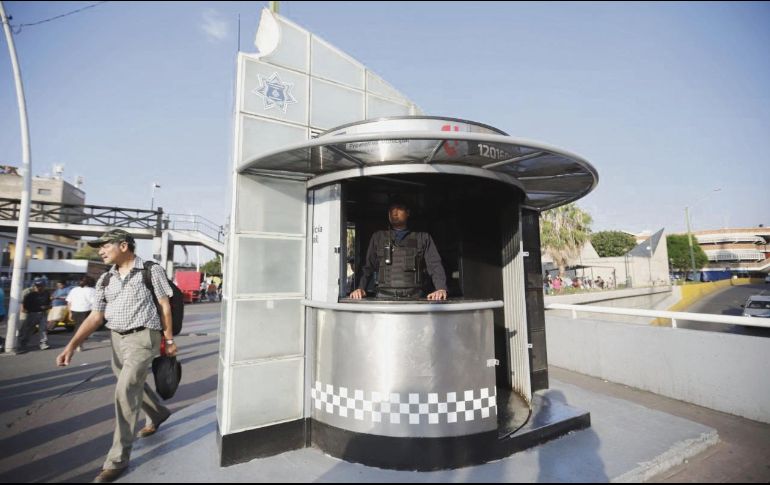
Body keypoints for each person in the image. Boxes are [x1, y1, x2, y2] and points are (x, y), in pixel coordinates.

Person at [55, 229, 177, 483]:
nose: (100, 251)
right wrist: (71, 345)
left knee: (124, 391)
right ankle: (158, 414)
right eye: (98, 247)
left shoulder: (150, 270)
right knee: (132, 385)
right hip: (116, 339)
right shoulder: (105, 279)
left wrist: (169, 339)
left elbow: (165, 305)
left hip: (143, 337)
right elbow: (95, 316)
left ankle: (117, 460)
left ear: (123, 246)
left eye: (104, 246)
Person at [349, 200, 447, 300]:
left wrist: (441, 288)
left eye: (399, 208)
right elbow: (367, 266)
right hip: (384, 298)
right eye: (391, 209)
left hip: (415, 298)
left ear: (408, 212)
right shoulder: (378, 237)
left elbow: (435, 264)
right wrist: (359, 288)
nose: (394, 213)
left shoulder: (422, 237)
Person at [66, 276, 96, 352]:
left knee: (78, 327)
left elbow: (69, 302)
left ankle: (78, 344)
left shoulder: (74, 290)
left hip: (75, 310)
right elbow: (94, 303)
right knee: (84, 329)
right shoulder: (92, 290)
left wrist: (69, 313)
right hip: (86, 311)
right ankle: (78, 344)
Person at [20, 279, 51, 350]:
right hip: (32, 314)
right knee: (29, 329)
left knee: (43, 329)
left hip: (43, 313)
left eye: (41, 286)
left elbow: (48, 302)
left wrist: (48, 306)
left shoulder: (46, 293)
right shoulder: (30, 295)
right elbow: (26, 306)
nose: (39, 287)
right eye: (37, 286)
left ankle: (43, 343)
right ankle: (23, 342)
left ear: (44, 286)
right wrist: (38, 307)